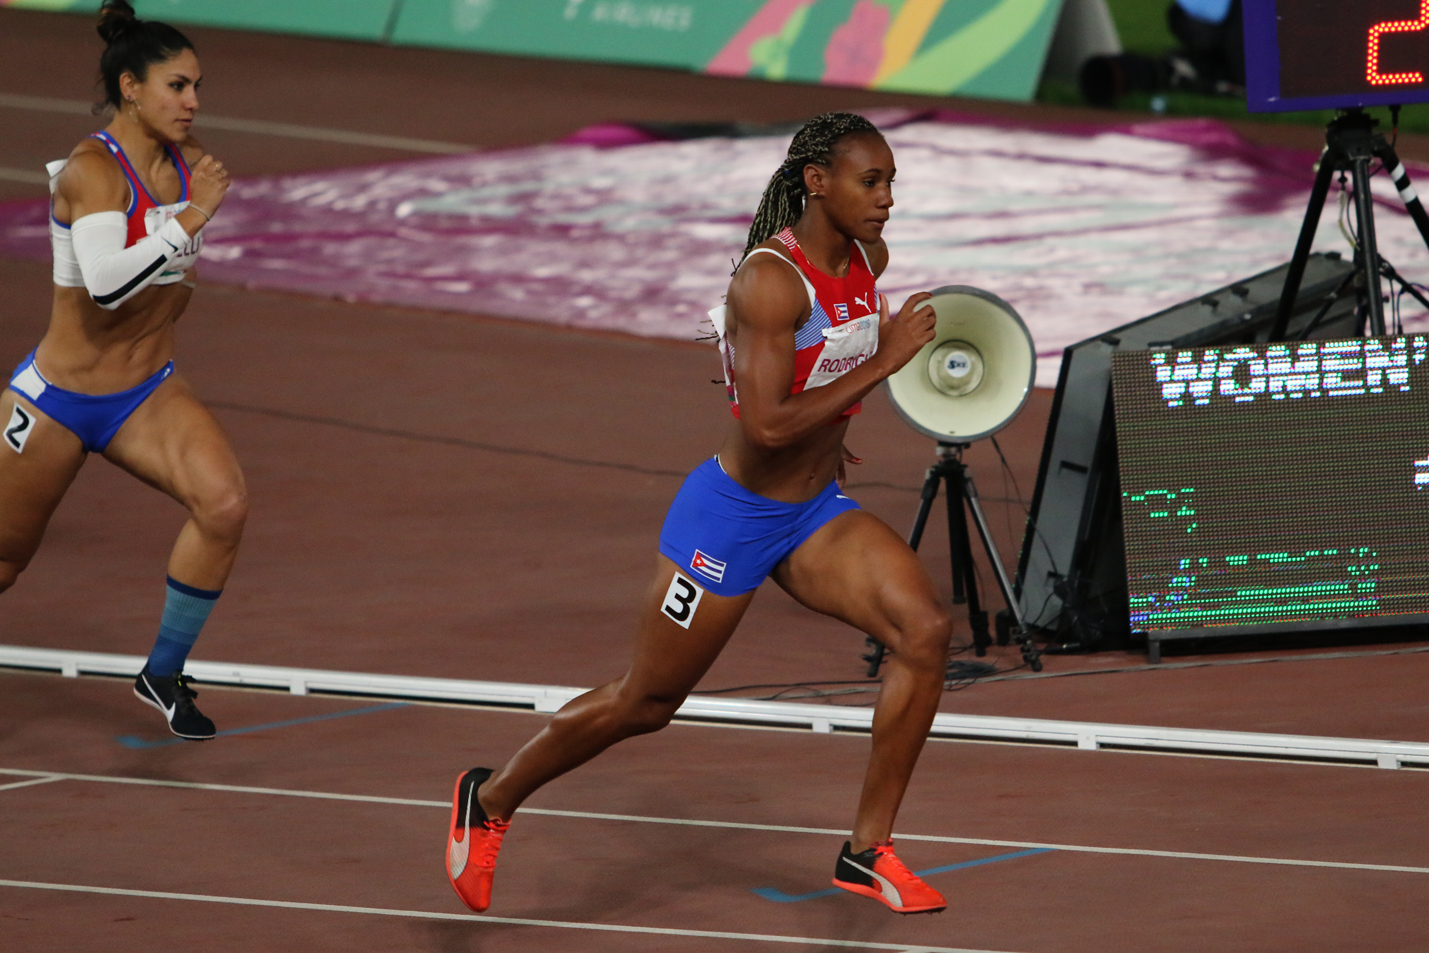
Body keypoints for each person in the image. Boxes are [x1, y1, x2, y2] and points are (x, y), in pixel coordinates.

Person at [446, 113, 955, 915]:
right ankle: (490, 797)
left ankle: (866, 850)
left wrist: (870, 399)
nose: (887, 198)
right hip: (731, 517)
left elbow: (830, 373)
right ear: (817, 182)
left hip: (813, 514)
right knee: (646, 702)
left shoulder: (868, 259)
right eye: (871, 181)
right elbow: (768, 424)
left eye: (891, 181)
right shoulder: (769, 283)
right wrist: (889, 357)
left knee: (923, 630)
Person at [0, 0, 242, 740]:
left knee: (224, 505)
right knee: (3, 563)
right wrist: (193, 217)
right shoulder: (91, 172)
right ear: (130, 88)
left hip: (145, 392)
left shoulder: (186, 166)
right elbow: (106, 284)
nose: (192, 102)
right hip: (57, 400)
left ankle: (161, 672)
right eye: (177, 86)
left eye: (196, 87)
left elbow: (169, 283)